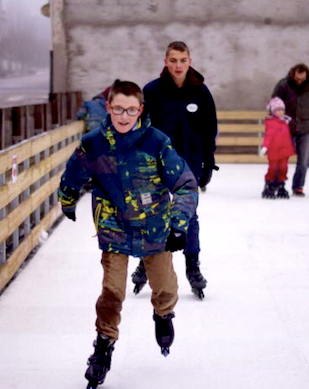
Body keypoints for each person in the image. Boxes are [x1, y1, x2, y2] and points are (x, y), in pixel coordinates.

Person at [59, 80, 198, 387]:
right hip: (114, 228)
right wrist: (67, 199)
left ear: (140, 110)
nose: (124, 116)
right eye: (118, 109)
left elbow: (186, 184)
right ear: (108, 108)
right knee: (112, 291)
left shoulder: (157, 142)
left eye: (131, 110)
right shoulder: (94, 144)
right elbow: (74, 173)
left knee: (165, 288)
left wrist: (179, 225)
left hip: (155, 227)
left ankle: (163, 314)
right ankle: (103, 346)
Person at [130, 41, 218, 300]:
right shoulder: (152, 91)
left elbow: (208, 130)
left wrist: (208, 162)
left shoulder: (201, 93)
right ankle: (147, 263)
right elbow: (140, 130)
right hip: (155, 165)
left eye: (183, 60)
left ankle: (193, 267)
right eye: (173, 60)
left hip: (188, 165)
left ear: (189, 61)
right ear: (165, 62)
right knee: (152, 215)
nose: (178, 65)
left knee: (189, 217)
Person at [272, 63, 309, 197]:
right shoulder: (284, 84)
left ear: (307, 76)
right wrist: (276, 113)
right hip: (287, 127)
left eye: (302, 79)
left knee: (303, 161)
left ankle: (298, 186)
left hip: (306, 127)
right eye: (297, 79)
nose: (299, 81)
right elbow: (274, 100)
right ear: (293, 74)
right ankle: (278, 183)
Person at [259, 97, 295, 199]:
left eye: (282, 110)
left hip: (285, 150)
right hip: (274, 151)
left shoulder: (286, 122)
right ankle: (269, 183)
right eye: (277, 110)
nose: (280, 112)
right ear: (273, 111)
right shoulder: (271, 123)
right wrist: (265, 147)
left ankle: (280, 184)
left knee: (284, 168)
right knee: (273, 168)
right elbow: (268, 136)